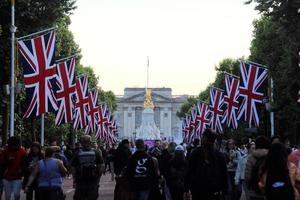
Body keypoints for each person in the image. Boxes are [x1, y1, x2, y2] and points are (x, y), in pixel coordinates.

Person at [184, 129, 228, 200]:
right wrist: (224, 191)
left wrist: (186, 189)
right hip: (205, 191)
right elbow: (224, 175)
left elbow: (189, 171)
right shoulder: (219, 155)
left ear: (204, 138)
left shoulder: (196, 153)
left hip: (203, 191)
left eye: (202, 136)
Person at [71, 135, 104, 200]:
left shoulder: (78, 153)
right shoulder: (96, 152)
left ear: (82, 143)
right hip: (93, 180)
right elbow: (101, 166)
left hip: (80, 180)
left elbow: (73, 167)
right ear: (90, 142)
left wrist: (74, 179)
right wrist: (98, 178)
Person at [245, 135, 270, 200]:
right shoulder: (271, 156)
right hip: (268, 191)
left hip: (254, 190)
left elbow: (248, 175)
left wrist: (249, 186)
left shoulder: (251, 157)